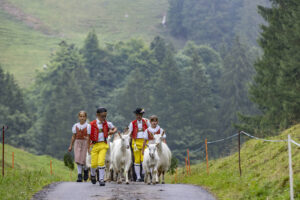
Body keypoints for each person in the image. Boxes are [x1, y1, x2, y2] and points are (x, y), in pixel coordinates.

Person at [89, 107, 117, 186]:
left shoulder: (107, 123)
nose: (104, 118)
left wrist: (112, 131)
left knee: (101, 162)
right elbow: (88, 136)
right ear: (97, 115)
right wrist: (88, 147)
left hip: (103, 144)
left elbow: (115, 128)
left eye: (105, 116)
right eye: (102, 116)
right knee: (93, 163)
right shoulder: (91, 124)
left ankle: (101, 179)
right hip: (94, 144)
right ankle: (93, 175)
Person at [128, 107, 150, 182]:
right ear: (135, 115)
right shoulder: (132, 123)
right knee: (136, 160)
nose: (139, 116)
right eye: (137, 114)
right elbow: (130, 133)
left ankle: (144, 174)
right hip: (136, 142)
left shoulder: (147, 121)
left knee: (144, 159)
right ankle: (138, 177)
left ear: (142, 114)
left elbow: (150, 131)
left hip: (145, 142)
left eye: (140, 114)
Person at [68, 111, 91, 182]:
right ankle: (79, 175)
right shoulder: (75, 126)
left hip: (85, 142)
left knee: (83, 159)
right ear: (79, 117)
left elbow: (89, 137)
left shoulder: (88, 126)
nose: (82, 118)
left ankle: (86, 170)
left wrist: (89, 146)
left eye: (83, 116)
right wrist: (71, 145)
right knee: (78, 158)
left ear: (86, 117)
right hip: (77, 142)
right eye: (81, 116)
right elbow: (73, 136)